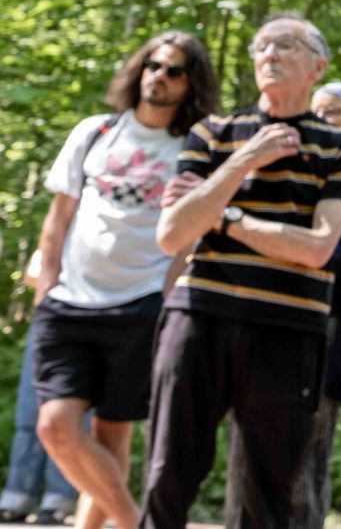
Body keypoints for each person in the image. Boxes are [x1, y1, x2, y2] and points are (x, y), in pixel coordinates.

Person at [140, 12, 341, 529]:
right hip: (197, 318)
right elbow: (173, 234)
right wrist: (244, 161)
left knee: (268, 491)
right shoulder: (213, 133)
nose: (269, 54)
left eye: (286, 45)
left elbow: (316, 249)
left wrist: (221, 215)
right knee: (166, 475)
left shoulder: (340, 148)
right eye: (261, 46)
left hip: (287, 332)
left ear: (318, 65)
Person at [32, 32, 218, 529]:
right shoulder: (96, 131)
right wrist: (46, 285)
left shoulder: (193, 147)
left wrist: (168, 296)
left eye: (174, 70)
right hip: (69, 301)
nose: (159, 76)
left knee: (113, 438)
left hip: (140, 305)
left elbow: (192, 235)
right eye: (153, 65)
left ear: (191, 82)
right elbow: (59, 215)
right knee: (57, 427)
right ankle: (138, 522)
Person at [221, 82, 341, 529]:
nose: (321, 120)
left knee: (305, 459)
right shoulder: (285, 168)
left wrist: (304, 249)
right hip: (260, 324)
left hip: (328, 333)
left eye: (335, 112)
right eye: (315, 111)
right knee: (245, 457)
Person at [1, 257, 82, 526]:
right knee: (30, 415)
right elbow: (33, 274)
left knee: (72, 419)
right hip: (51, 320)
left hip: (88, 321)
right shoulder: (58, 231)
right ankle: (16, 497)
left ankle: (59, 502)